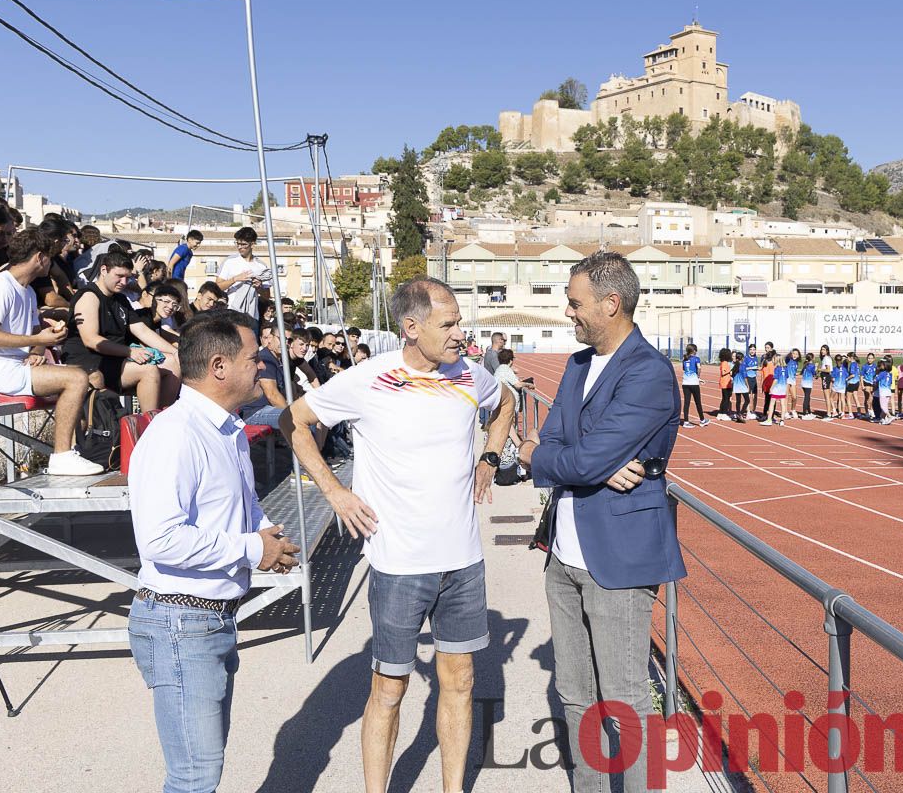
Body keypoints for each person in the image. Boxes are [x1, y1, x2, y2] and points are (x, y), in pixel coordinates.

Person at [280, 276, 515, 793]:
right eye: (448, 323)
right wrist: (334, 492)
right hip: (398, 566)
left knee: (460, 683)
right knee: (389, 689)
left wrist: (490, 457)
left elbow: (506, 406)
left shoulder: (471, 376)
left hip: (464, 563)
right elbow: (293, 420)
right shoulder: (367, 379)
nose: (460, 333)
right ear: (411, 327)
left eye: (460, 321)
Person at [515, 251, 683, 793]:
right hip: (563, 556)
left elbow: (575, 458)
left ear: (612, 304)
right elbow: (572, 448)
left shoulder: (650, 372)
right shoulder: (579, 365)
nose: (569, 313)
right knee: (575, 694)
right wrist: (587, 461)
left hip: (617, 559)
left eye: (575, 303)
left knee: (627, 699)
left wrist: (534, 456)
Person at [128, 309, 300, 793]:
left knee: (202, 768)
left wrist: (267, 536)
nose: (261, 368)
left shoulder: (225, 431)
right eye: (253, 359)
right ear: (220, 366)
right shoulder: (176, 434)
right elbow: (160, 539)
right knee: (194, 776)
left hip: (209, 619)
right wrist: (250, 549)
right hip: (180, 622)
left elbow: (241, 508)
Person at [0, 227, 103, 475]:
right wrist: (37, 338)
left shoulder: (26, 290)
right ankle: (62, 456)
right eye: (50, 257)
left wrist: (39, 346)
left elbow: (36, 333)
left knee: (90, 377)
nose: (53, 266)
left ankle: (73, 449)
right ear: (39, 257)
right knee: (76, 378)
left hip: (18, 365)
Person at [60, 252, 181, 411]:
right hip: (90, 360)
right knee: (148, 371)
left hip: (115, 358)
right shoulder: (89, 296)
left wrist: (175, 352)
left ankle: (164, 418)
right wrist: (129, 352)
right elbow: (91, 340)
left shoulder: (121, 299)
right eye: (119, 276)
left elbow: (142, 331)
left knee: (173, 362)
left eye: (128, 277)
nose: (124, 282)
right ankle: (149, 425)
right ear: (104, 270)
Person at [215, 226, 270, 319]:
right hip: (232, 313)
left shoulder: (261, 266)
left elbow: (267, 296)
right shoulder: (229, 261)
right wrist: (234, 279)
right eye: (238, 244)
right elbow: (217, 287)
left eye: (243, 244)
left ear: (252, 244)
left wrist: (259, 287)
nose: (240, 247)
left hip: (252, 316)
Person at [680, 343, 708, 428]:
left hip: (685, 383)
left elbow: (684, 369)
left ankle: (685, 421)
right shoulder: (696, 359)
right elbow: (699, 368)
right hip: (694, 384)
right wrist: (698, 377)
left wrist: (698, 379)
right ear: (694, 351)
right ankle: (702, 420)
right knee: (698, 402)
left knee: (686, 403)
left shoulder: (684, 359)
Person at [715, 347, 733, 420]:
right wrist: (730, 371)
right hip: (725, 383)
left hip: (724, 382)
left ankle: (720, 413)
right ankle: (724, 413)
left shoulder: (723, 362)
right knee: (726, 399)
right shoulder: (725, 363)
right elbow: (723, 372)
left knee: (724, 399)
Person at [731, 350, 749, 422]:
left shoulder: (735, 366)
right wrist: (747, 385)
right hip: (742, 385)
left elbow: (731, 374)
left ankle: (738, 413)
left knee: (738, 401)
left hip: (736, 385)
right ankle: (741, 413)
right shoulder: (742, 366)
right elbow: (745, 377)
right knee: (747, 400)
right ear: (742, 358)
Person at [875, 358, 894, 425]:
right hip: (888, 391)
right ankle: (882, 419)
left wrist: (876, 375)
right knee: (885, 405)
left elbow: (876, 380)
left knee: (883, 406)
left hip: (883, 391)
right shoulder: (890, 374)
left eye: (882, 365)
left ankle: (889, 416)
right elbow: (891, 382)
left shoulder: (882, 373)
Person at [829, 354, 848, 419]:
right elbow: (846, 376)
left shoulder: (834, 369)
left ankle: (834, 411)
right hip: (842, 385)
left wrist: (832, 378)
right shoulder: (844, 369)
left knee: (831, 398)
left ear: (835, 361)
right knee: (842, 399)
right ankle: (843, 413)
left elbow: (832, 378)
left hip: (836, 385)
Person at [743, 342, 759, 417]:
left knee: (755, 395)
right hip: (748, 378)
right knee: (748, 395)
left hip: (754, 378)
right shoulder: (746, 358)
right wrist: (752, 368)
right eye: (751, 349)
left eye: (754, 349)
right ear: (749, 350)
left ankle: (753, 410)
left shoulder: (756, 358)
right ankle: (748, 411)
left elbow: (756, 368)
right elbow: (744, 368)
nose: (752, 351)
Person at [799, 352, 817, 419]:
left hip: (803, 382)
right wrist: (816, 370)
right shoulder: (812, 365)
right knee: (807, 398)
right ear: (812, 358)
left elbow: (801, 372)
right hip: (808, 383)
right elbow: (814, 374)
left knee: (808, 397)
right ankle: (804, 414)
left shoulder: (805, 364)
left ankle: (809, 412)